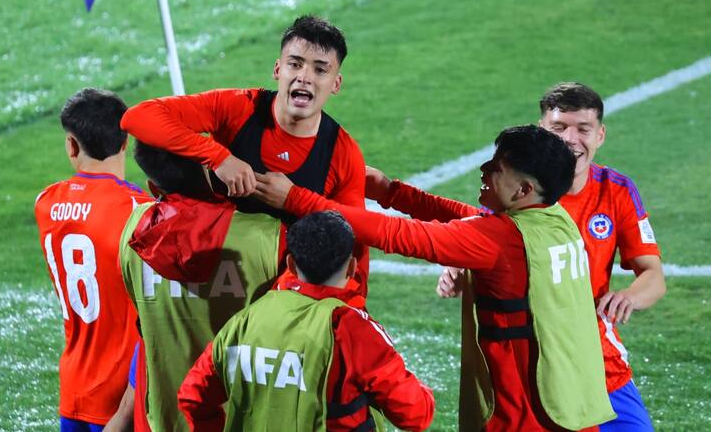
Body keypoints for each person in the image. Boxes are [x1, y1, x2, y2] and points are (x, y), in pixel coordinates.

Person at [255, 125, 616, 431]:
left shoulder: (501, 241)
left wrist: (295, 198)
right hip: (573, 403)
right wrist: (391, 192)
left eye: (496, 167)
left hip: (525, 412)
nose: (484, 168)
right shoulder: (555, 219)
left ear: (522, 190)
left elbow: (395, 235)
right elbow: (468, 218)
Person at [384, 83, 663, 430]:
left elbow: (653, 275)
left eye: (583, 129)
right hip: (539, 368)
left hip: (601, 362)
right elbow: (481, 235)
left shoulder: (616, 190)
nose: (570, 139)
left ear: (600, 135)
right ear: (541, 131)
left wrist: (627, 298)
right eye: (559, 128)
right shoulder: (517, 195)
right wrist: (463, 270)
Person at [120, 15, 369, 298]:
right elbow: (137, 117)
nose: (305, 77)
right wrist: (218, 157)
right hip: (218, 282)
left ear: (335, 84)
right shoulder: (238, 108)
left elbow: (353, 240)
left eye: (320, 70)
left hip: (282, 296)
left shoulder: (343, 152)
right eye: (295, 64)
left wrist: (293, 199)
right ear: (278, 69)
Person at [178, 211, 435, 432]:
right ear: (351, 267)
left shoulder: (246, 319)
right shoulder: (350, 328)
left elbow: (193, 396)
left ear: (290, 263)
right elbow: (415, 414)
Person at [117, 141, 284, 431]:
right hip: (240, 417)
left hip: (167, 417)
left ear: (154, 189)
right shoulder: (266, 237)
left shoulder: (133, 233)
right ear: (210, 167)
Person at [34, 88, 153, 431]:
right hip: (124, 394)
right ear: (123, 143)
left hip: (74, 388)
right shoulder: (140, 211)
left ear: (72, 145)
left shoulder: (46, 203)